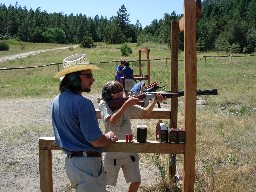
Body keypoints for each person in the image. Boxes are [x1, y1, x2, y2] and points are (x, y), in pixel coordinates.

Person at [51, 53, 118, 192]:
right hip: (88, 164)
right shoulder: (83, 103)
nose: (93, 79)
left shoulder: (56, 101)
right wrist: (109, 136)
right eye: (88, 76)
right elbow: (96, 141)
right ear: (74, 77)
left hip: (73, 164)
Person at [99, 81, 166, 192]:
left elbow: (145, 113)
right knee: (105, 184)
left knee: (136, 181)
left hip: (129, 149)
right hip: (113, 150)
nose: (120, 94)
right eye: (116, 92)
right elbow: (112, 120)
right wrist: (126, 104)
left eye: (121, 91)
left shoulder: (125, 104)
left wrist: (155, 100)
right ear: (108, 95)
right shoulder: (104, 104)